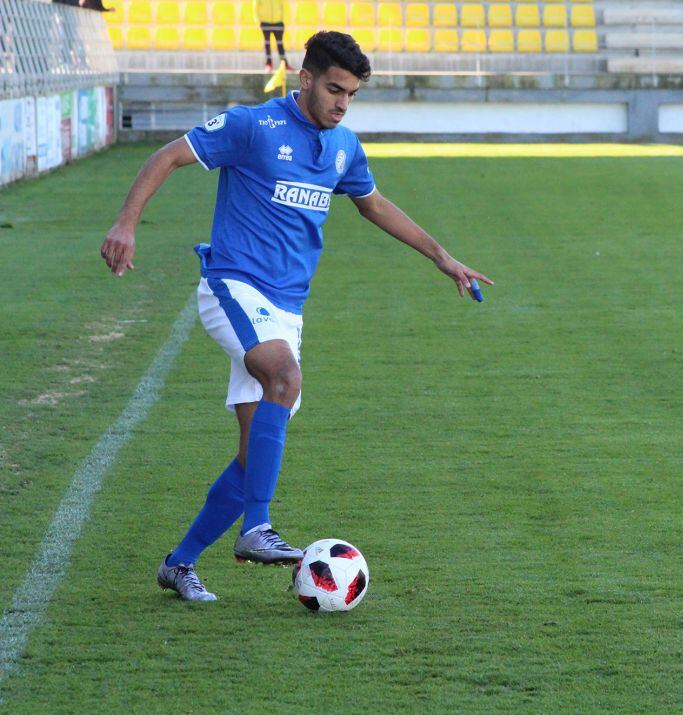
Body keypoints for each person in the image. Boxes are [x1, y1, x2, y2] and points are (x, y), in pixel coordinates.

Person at [100, 31, 492, 602]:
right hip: (232, 286)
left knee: (251, 451)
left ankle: (180, 563)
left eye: (352, 94)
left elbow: (373, 204)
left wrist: (443, 257)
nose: (342, 103)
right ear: (305, 78)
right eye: (335, 88)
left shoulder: (344, 146)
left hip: (287, 308)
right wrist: (126, 223)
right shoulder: (253, 126)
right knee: (283, 378)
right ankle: (256, 527)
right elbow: (168, 156)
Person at [254, 0, 292, 72]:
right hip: (265, 22)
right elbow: (255, 8)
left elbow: (284, 6)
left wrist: (283, 20)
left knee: (280, 44)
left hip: (278, 22)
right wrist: (259, 21)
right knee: (267, 44)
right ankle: (269, 64)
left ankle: (284, 64)